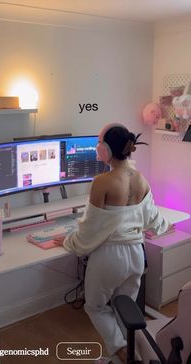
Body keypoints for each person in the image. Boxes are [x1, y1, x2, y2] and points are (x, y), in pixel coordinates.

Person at [54, 123, 170, 364]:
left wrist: (66, 241)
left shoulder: (102, 182)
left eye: (98, 144)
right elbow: (153, 218)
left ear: (105, 150)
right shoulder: (140, 178)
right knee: (124, 308)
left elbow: (90, 230)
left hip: (110, 258)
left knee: (95, 307)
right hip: (137, 255)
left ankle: (121, 353)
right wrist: (165, 226)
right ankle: (134, 355)